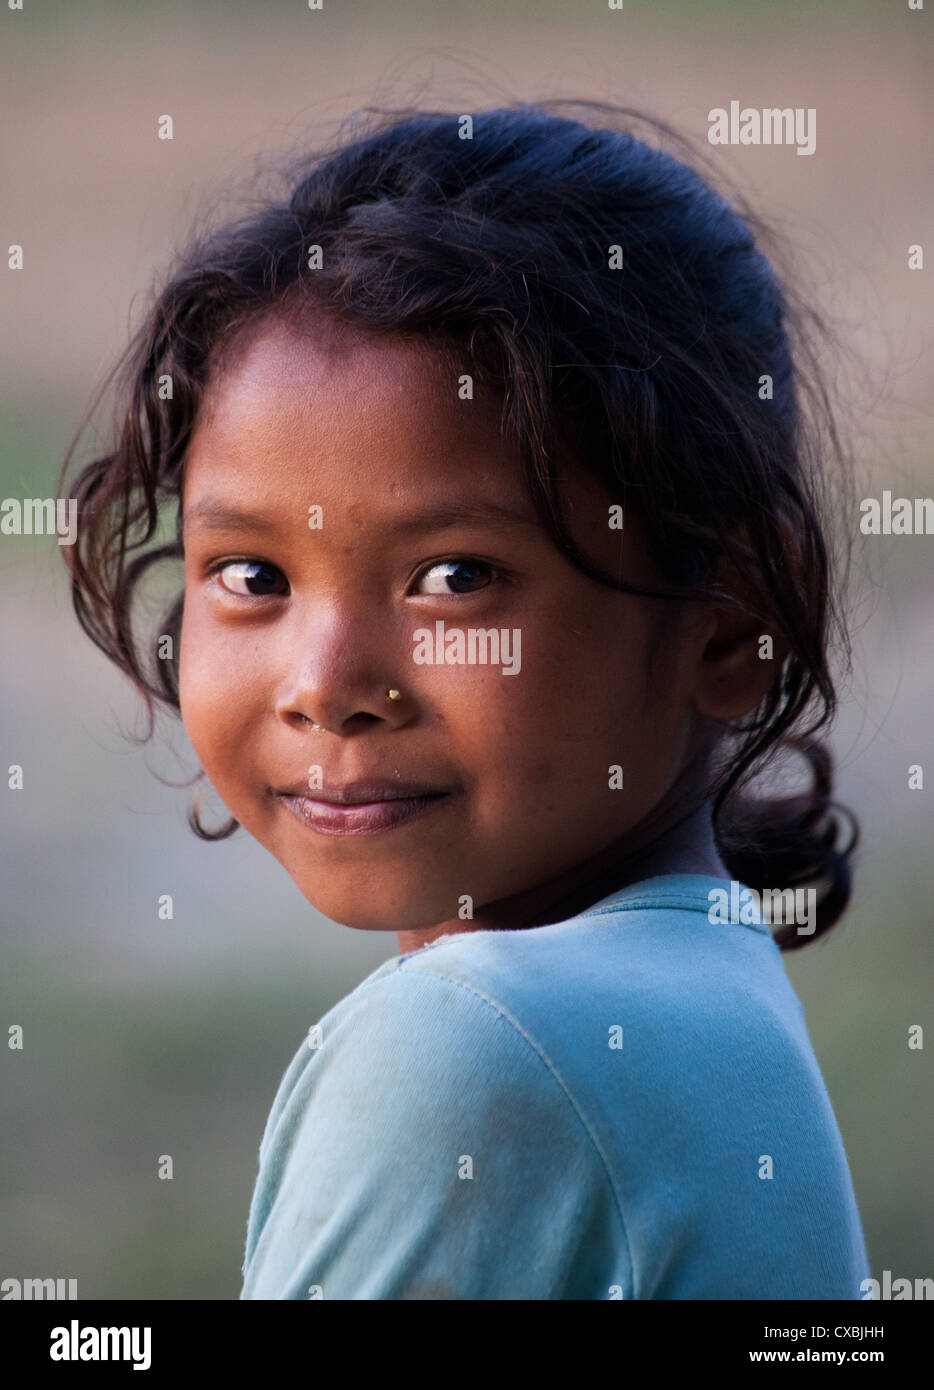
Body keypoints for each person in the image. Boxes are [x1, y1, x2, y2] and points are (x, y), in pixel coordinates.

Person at [60, 101, 870, 1299]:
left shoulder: (477, 1045)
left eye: (455, 577)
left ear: (733, 618)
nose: (327, 685)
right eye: (253, 576)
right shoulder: (710, 996)